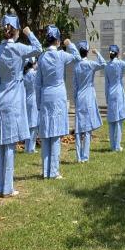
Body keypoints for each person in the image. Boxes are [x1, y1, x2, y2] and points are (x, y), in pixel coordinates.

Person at [0, 15, 42, 197]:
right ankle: (7, 188)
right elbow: (38, 49)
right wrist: (29, 34)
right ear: (16, 31)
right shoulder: (19, 48)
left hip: (2, 97)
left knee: (0, 144)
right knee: (10, 145)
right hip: (14, 98)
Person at [36, 25, 81, 179]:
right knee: (55, 134)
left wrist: (38, 102)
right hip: (58, 95)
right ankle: (54, 171)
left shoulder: (42, 57)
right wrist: (70, 44)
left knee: (46, 134)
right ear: (57, 41)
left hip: (45, 95)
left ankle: (45, 171)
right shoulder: (61, 55)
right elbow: (77, 57)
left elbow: (38, 83)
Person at [73, 42, 105, 162]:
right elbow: (103, 64)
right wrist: (97, 53)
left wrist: (75, 99)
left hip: (79, 97)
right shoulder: (90, 64)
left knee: (78, 128)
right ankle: (85, 156)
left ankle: (78, 156)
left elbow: (75, 85)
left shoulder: (76, 66)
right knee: (87, 128)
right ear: (87, 52)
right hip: (89, 97)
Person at [104, 45, 125, 152]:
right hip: (118, 92)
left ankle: (112, 145)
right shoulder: (120, 63)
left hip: (110, 93)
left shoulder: (107, 66)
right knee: (119, 121)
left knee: (112, 121)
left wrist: (106, 97)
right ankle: (117, 146)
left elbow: (106, 84)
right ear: (117, 53)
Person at [23, 58, 39, 154]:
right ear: (33, 64)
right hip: (34, 99)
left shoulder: (24, 74)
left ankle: (26, 147)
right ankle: (31, 148)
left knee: (28, 124)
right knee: (33, 125)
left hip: (26, 99)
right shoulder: (34, 73)